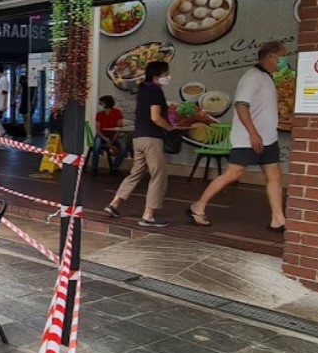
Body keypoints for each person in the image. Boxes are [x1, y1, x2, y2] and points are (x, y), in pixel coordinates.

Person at [188, 41, 288, 231]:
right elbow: (241, 105)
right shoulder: (252, 77)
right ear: (271, 56)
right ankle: (198, 206)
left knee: (274, 176)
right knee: (233, 174)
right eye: (283, 56)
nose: (285, 60)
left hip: (269, 138)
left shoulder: (267, 78)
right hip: (248, 139)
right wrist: (253, 134)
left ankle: (278, 219)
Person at [105, 61, 177, 227]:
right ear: (157, 76)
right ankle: (148, 215)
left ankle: (114, 204)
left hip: (138, 138)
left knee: (136, 173)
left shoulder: (143, 89)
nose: (168, 77)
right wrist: (170, 128)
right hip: (151, 138)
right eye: (166, 74)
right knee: (159, 175)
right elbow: (155, 117)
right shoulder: (155, 91)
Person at [93, 95, 128, 176]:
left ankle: (115, 168)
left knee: (123, 147)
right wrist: (105, 139)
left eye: (101, 103)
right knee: (97, 146)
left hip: (114, 135)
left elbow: (119, 128)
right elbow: (98, 130)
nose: (100, 105)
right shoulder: (99, 114)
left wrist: (112, 141)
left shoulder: (117, 112)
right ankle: (94, 168)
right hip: (102, 135)